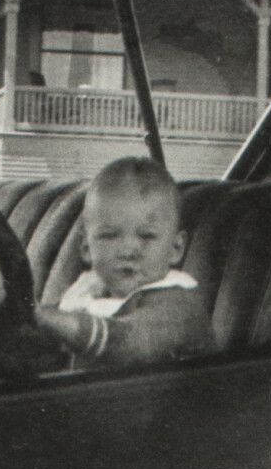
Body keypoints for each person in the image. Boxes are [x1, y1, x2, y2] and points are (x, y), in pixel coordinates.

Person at [35, 156, 212, 369]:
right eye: (109, 236)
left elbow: (129, 344)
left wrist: (54, 321)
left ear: (176, 249)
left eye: (147, 236)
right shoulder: (87, 293)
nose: (128, 251)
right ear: (86, 249)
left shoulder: (178, 304)